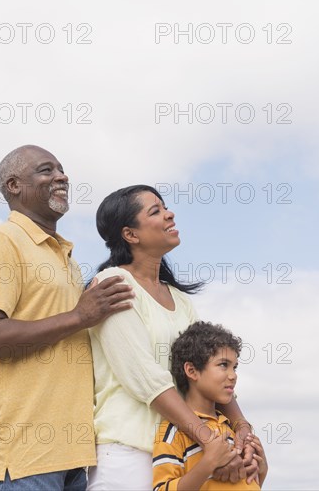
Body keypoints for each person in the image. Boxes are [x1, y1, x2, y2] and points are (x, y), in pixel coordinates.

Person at [0, 145, 135, 491]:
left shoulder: (64, 255)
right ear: (14, 186)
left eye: (61, 169)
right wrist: (78, 316)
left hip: (74, 456)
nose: (61, 176)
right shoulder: (1, 241)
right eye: (46, 170)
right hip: (23, 456)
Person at [87, 185, 258, 490]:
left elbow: (207, 371)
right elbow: (146, 378)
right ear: (131, 234)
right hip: (130, 455)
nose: (170, 214)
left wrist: (241, 428)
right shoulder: (113, 283)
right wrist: (211, 442)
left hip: (184, 453)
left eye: (165, 207)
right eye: (155, 211)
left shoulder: (181, 301)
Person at [153, 321, 268, 490]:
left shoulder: (232, 431)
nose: (233, 375)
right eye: (223, 365)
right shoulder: (173, 432)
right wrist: (208, 464)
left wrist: (262, 470)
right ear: (191, 371)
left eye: (235, 367)